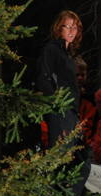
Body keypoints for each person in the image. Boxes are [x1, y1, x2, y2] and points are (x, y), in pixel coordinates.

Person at [36, 10, 83, 147]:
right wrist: (56, 102)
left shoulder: (67, 54)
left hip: (71, 111)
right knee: (60, 151)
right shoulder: (52, 49)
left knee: (70, 153)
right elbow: (43, 78)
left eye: (75, 27)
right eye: (68, 26)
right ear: (58, 28)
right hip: (60, 110)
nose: (72, 31)